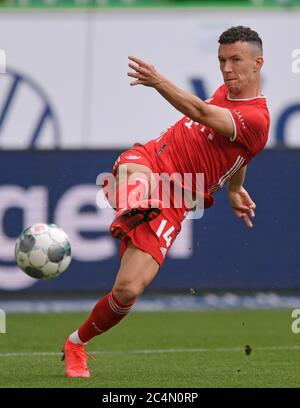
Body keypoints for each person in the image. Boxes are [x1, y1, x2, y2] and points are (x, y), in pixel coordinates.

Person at [62, 25, 270, 377]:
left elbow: (207, 119)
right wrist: (235, 188)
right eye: (221, 60)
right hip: (152, 158)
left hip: (177, 199)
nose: (226, 68)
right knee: (135, 176)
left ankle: (75, 343)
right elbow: (239, 154)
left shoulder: (255, 118)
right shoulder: (226, 93)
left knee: (127, 291)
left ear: (257, 64)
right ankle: (133, 208)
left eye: (236, 60)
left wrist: (159, 81)